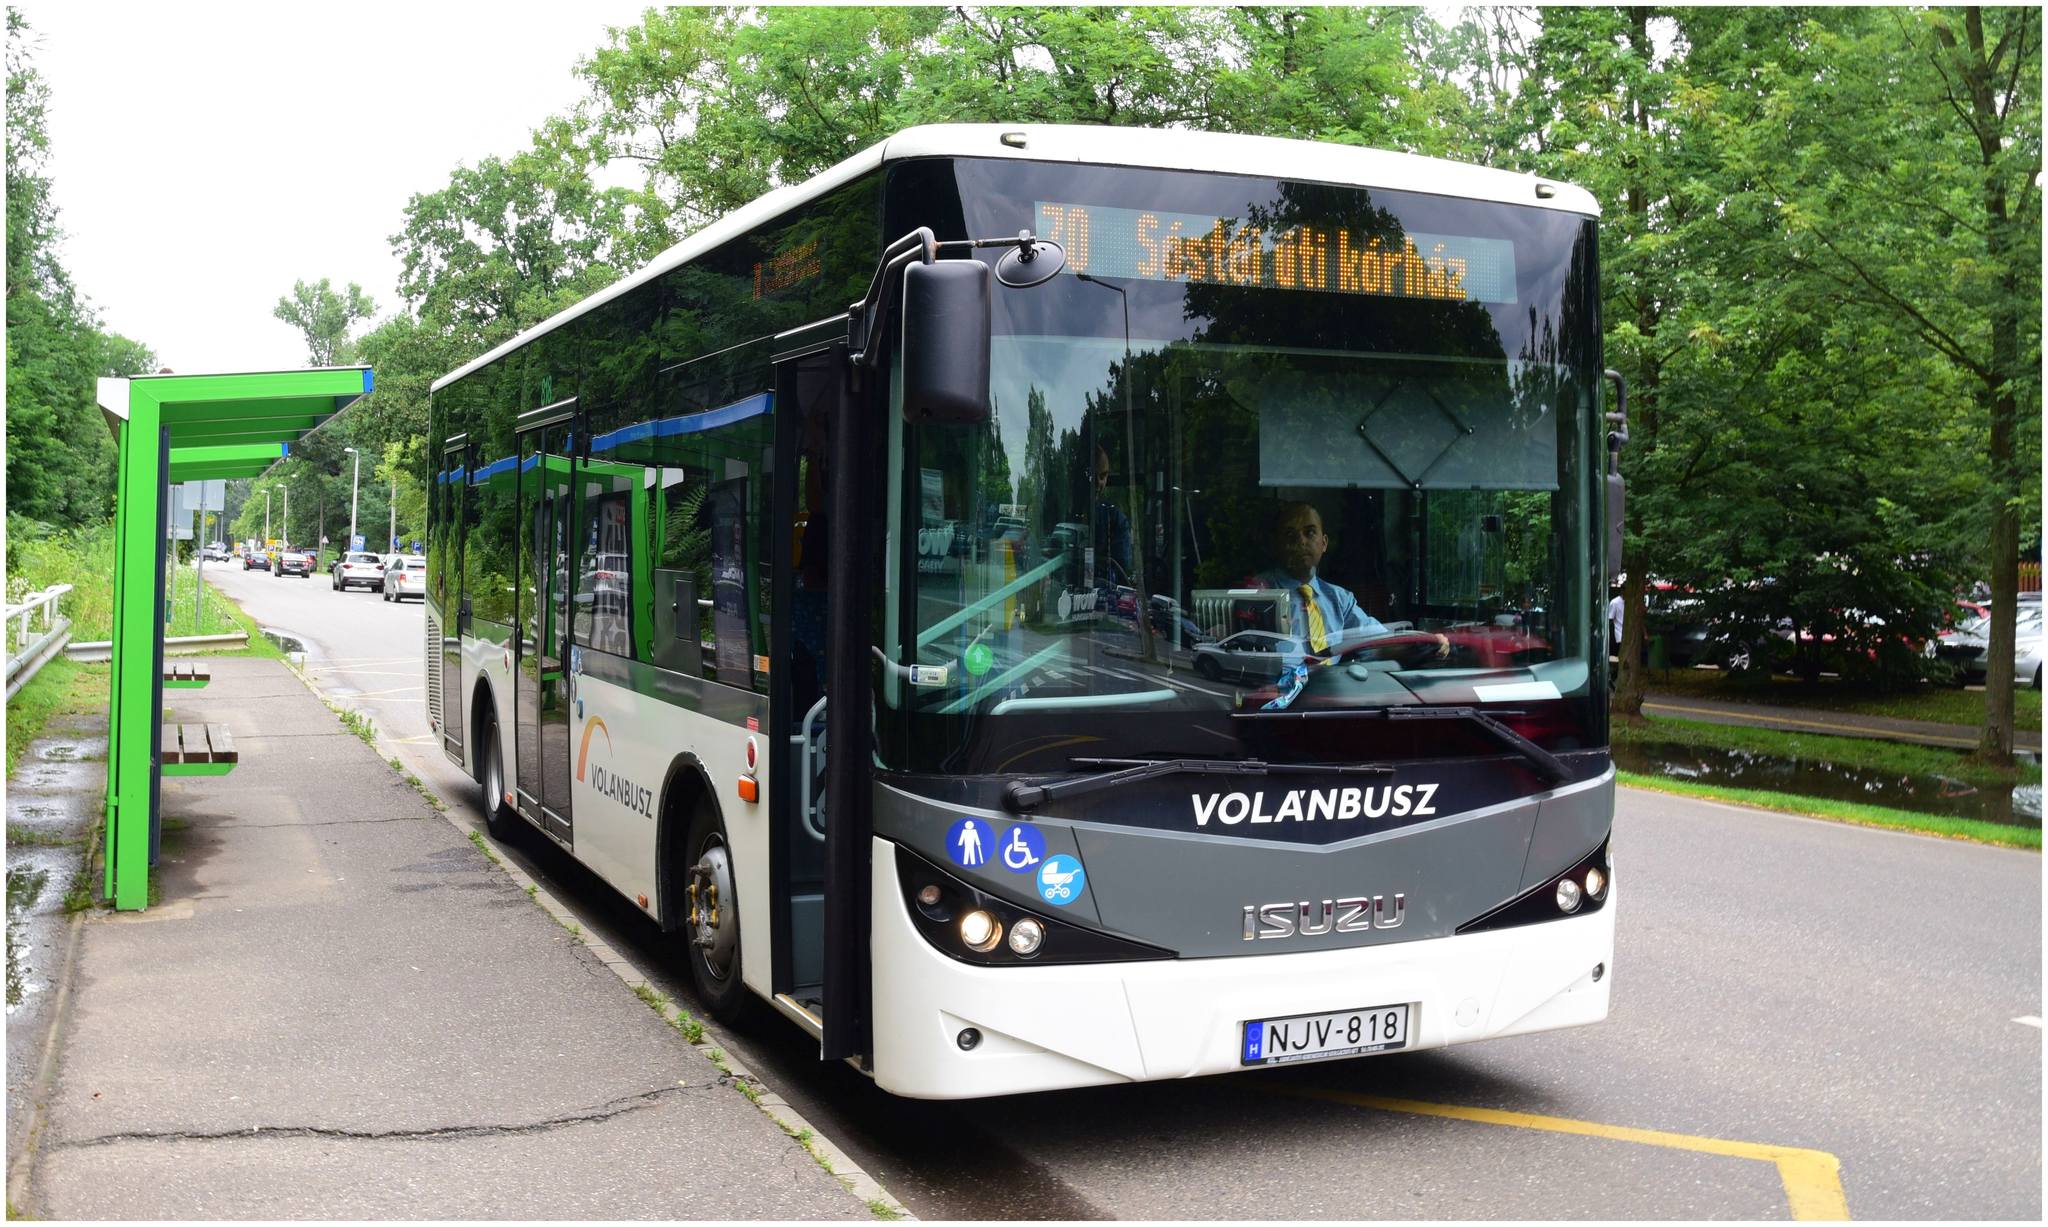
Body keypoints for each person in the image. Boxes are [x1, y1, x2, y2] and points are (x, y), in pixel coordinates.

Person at [1254, 501, 1386, 653]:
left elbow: (1379, 642)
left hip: (1332, 676)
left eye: (1310, 533)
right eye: (1290, 534)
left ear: (1324, 543)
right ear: (1276, 545)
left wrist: (1409, 648)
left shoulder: (1340, 600)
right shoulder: (1257, 594)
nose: (1301, 541)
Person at [1091, 447, 1132, 588]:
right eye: (1091, 475)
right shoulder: (1062, 515)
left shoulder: (1115, 520)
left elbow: (1120, 573)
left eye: (1103, 476)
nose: (1098, 483)